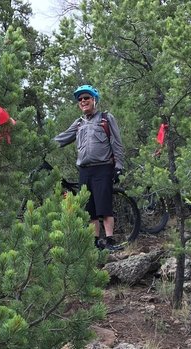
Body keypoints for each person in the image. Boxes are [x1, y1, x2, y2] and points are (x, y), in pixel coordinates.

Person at [53, 85, 125, 249]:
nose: (83, 101)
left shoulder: (106, 118)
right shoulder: (78, 123)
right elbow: (61, 138)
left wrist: (118, 166)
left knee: (104, 207)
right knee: (89, 208)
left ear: (94, 100)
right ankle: (95, 243)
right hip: (85, 170)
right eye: (80, 99)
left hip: (103, 168)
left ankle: (109, 241)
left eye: (86, 98)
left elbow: (117, 143)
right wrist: (42, 146)